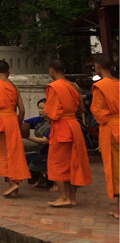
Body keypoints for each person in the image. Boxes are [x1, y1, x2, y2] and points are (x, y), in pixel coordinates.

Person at [44, 59, 92, 207]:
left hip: (61, 127)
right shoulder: (73, 86)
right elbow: (81, 109)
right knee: (74, 162)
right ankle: (72, 198)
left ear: (52, 71)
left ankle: (63, 197)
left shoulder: (54, 87)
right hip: (74, 126)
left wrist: (49, 117)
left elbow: (51, 113)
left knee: (56, 162)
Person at [0, 59, 30, 197]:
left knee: (3, 152)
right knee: (14, 152)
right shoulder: (13, 86)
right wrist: (19, 124)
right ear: (9, 71)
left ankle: (12, 183)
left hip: (0, 121)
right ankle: (14, 188)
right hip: (12, 120)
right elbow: (21, 109)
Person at [91, 57, 119, 218]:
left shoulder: (100, 86)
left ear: (99, 68)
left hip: (111, 128)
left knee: (116, 168)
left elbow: (98, 113)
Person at [22, 98, 52, 187]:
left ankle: (48, 175)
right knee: (31, 179)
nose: (40, 111)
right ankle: (41, 175)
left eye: (42, 108)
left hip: (50, 154)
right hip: (39, 151)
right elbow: (24, 123)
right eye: (39, 108)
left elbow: (45, 141)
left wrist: (27, 137)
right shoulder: (39, 120)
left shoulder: (54, 123)